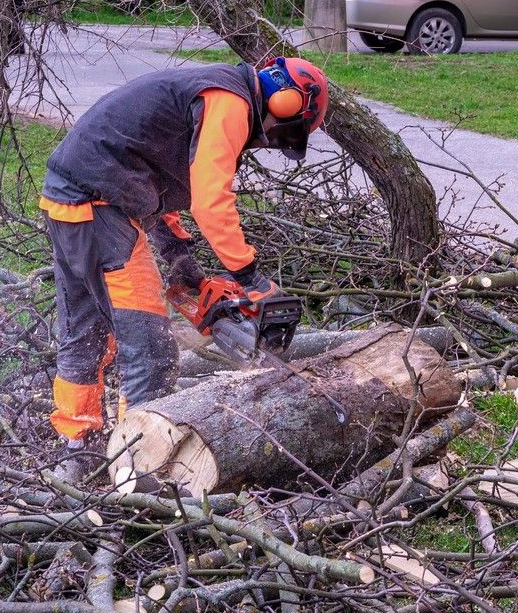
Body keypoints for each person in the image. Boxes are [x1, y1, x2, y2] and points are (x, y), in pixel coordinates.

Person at [41, 57, 330, 481]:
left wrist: (177, 250)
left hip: (69, 203)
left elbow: (148, 166)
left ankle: (76, 450)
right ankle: (139, 469)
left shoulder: (209, 87)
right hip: (102, 209)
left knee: (84, 333)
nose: (271, 140)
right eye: (282, 131)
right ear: (285, 103)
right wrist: (249, 277)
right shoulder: (229, 101)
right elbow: (210, 198)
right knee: (151, 350)